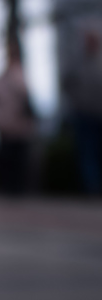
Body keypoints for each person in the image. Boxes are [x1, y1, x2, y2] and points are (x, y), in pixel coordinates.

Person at [0, 41, 36, 195]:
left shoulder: (20, 76)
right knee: (8, 160)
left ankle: (17, 189)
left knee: (18, 160)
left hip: (18, 127)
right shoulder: (2, 79)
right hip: (6, 126)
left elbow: (27, 102)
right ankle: (9, 188)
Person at [61, 23, 102, 194]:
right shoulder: (77, 62)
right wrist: (76, 100)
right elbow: (65, 83)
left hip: (100, 113)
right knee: (87, 153)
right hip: (83, 113)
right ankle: (91, 188)